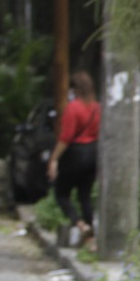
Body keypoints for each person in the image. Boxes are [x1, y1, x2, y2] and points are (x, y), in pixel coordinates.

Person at [50, 69, 101, 250]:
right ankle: (90, 238)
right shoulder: (97, 108)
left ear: (75, 89)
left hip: (75, 154)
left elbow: (66, 137)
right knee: (85, 194)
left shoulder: (74, 108)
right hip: (93, 153)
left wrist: (54, 159)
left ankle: (81, 225)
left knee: (61, 193)